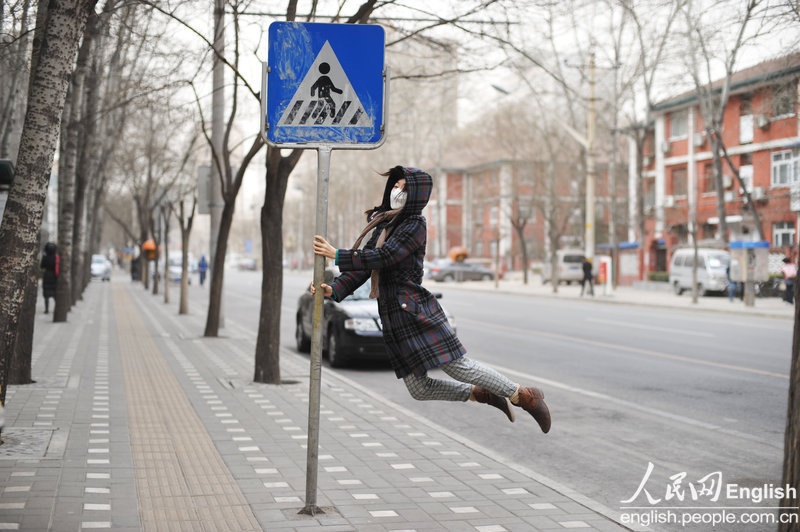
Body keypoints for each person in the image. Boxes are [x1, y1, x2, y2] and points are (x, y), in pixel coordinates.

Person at [311, 166, 551, 432]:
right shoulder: (385, 223)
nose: (397, 191)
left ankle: (525, 396)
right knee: (419, 389)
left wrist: (337, 254)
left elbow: (386, 257)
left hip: (413, 309)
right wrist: (335, 288)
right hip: (393, 316)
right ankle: (482, 394)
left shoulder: (415, 225)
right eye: (395, 185)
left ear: (416, 194)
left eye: (404, 187)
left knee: (457, 366)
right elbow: (365, 267)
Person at [40, 242, 58, 314]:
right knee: (54, 293)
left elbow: (42, 266)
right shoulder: (56, 257)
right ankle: (56, 308)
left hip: (47, 275)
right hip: (54, 276)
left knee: (46, 294)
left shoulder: (45, 257)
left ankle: (47, 309)